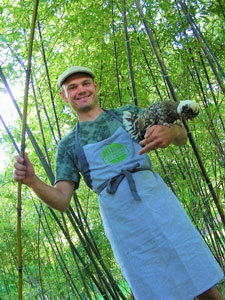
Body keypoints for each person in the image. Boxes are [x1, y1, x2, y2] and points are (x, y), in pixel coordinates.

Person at [14, 66, 224, 300]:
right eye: (72, 87)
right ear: (64, 96)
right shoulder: (68, 146)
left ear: (95, 87)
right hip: (125, 226)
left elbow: (182, 137)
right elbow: (62, 200)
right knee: (156, 290)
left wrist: (172, 132)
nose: (81, 90)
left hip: (161, 207)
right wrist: (32, 181)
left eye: (85, 83)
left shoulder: (129, 115)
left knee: (203, 284)